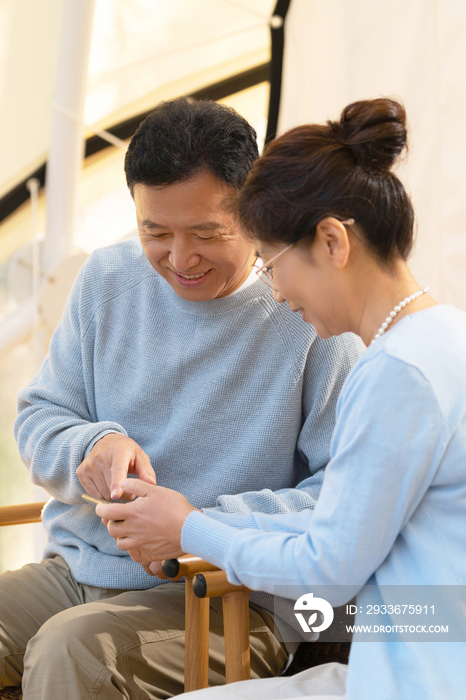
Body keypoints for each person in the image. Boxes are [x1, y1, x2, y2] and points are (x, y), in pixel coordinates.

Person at [97, 98, 466, 700]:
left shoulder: (396, 372)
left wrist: (190, 527)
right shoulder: (445, 335)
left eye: (271, 264)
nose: (277, 291)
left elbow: (329, 566)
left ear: (331, 243)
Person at [0, 98, 362, 699]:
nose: (180, 258)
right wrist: (95, 443)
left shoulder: (312, 313)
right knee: (67, 634)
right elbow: (39, 416)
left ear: (254, 212)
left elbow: (340, 498)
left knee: (72, 652)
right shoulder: (106, 279)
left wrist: (193, 527)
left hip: (234, 596)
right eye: (156, 232)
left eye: (206, 233)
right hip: (81, 572)